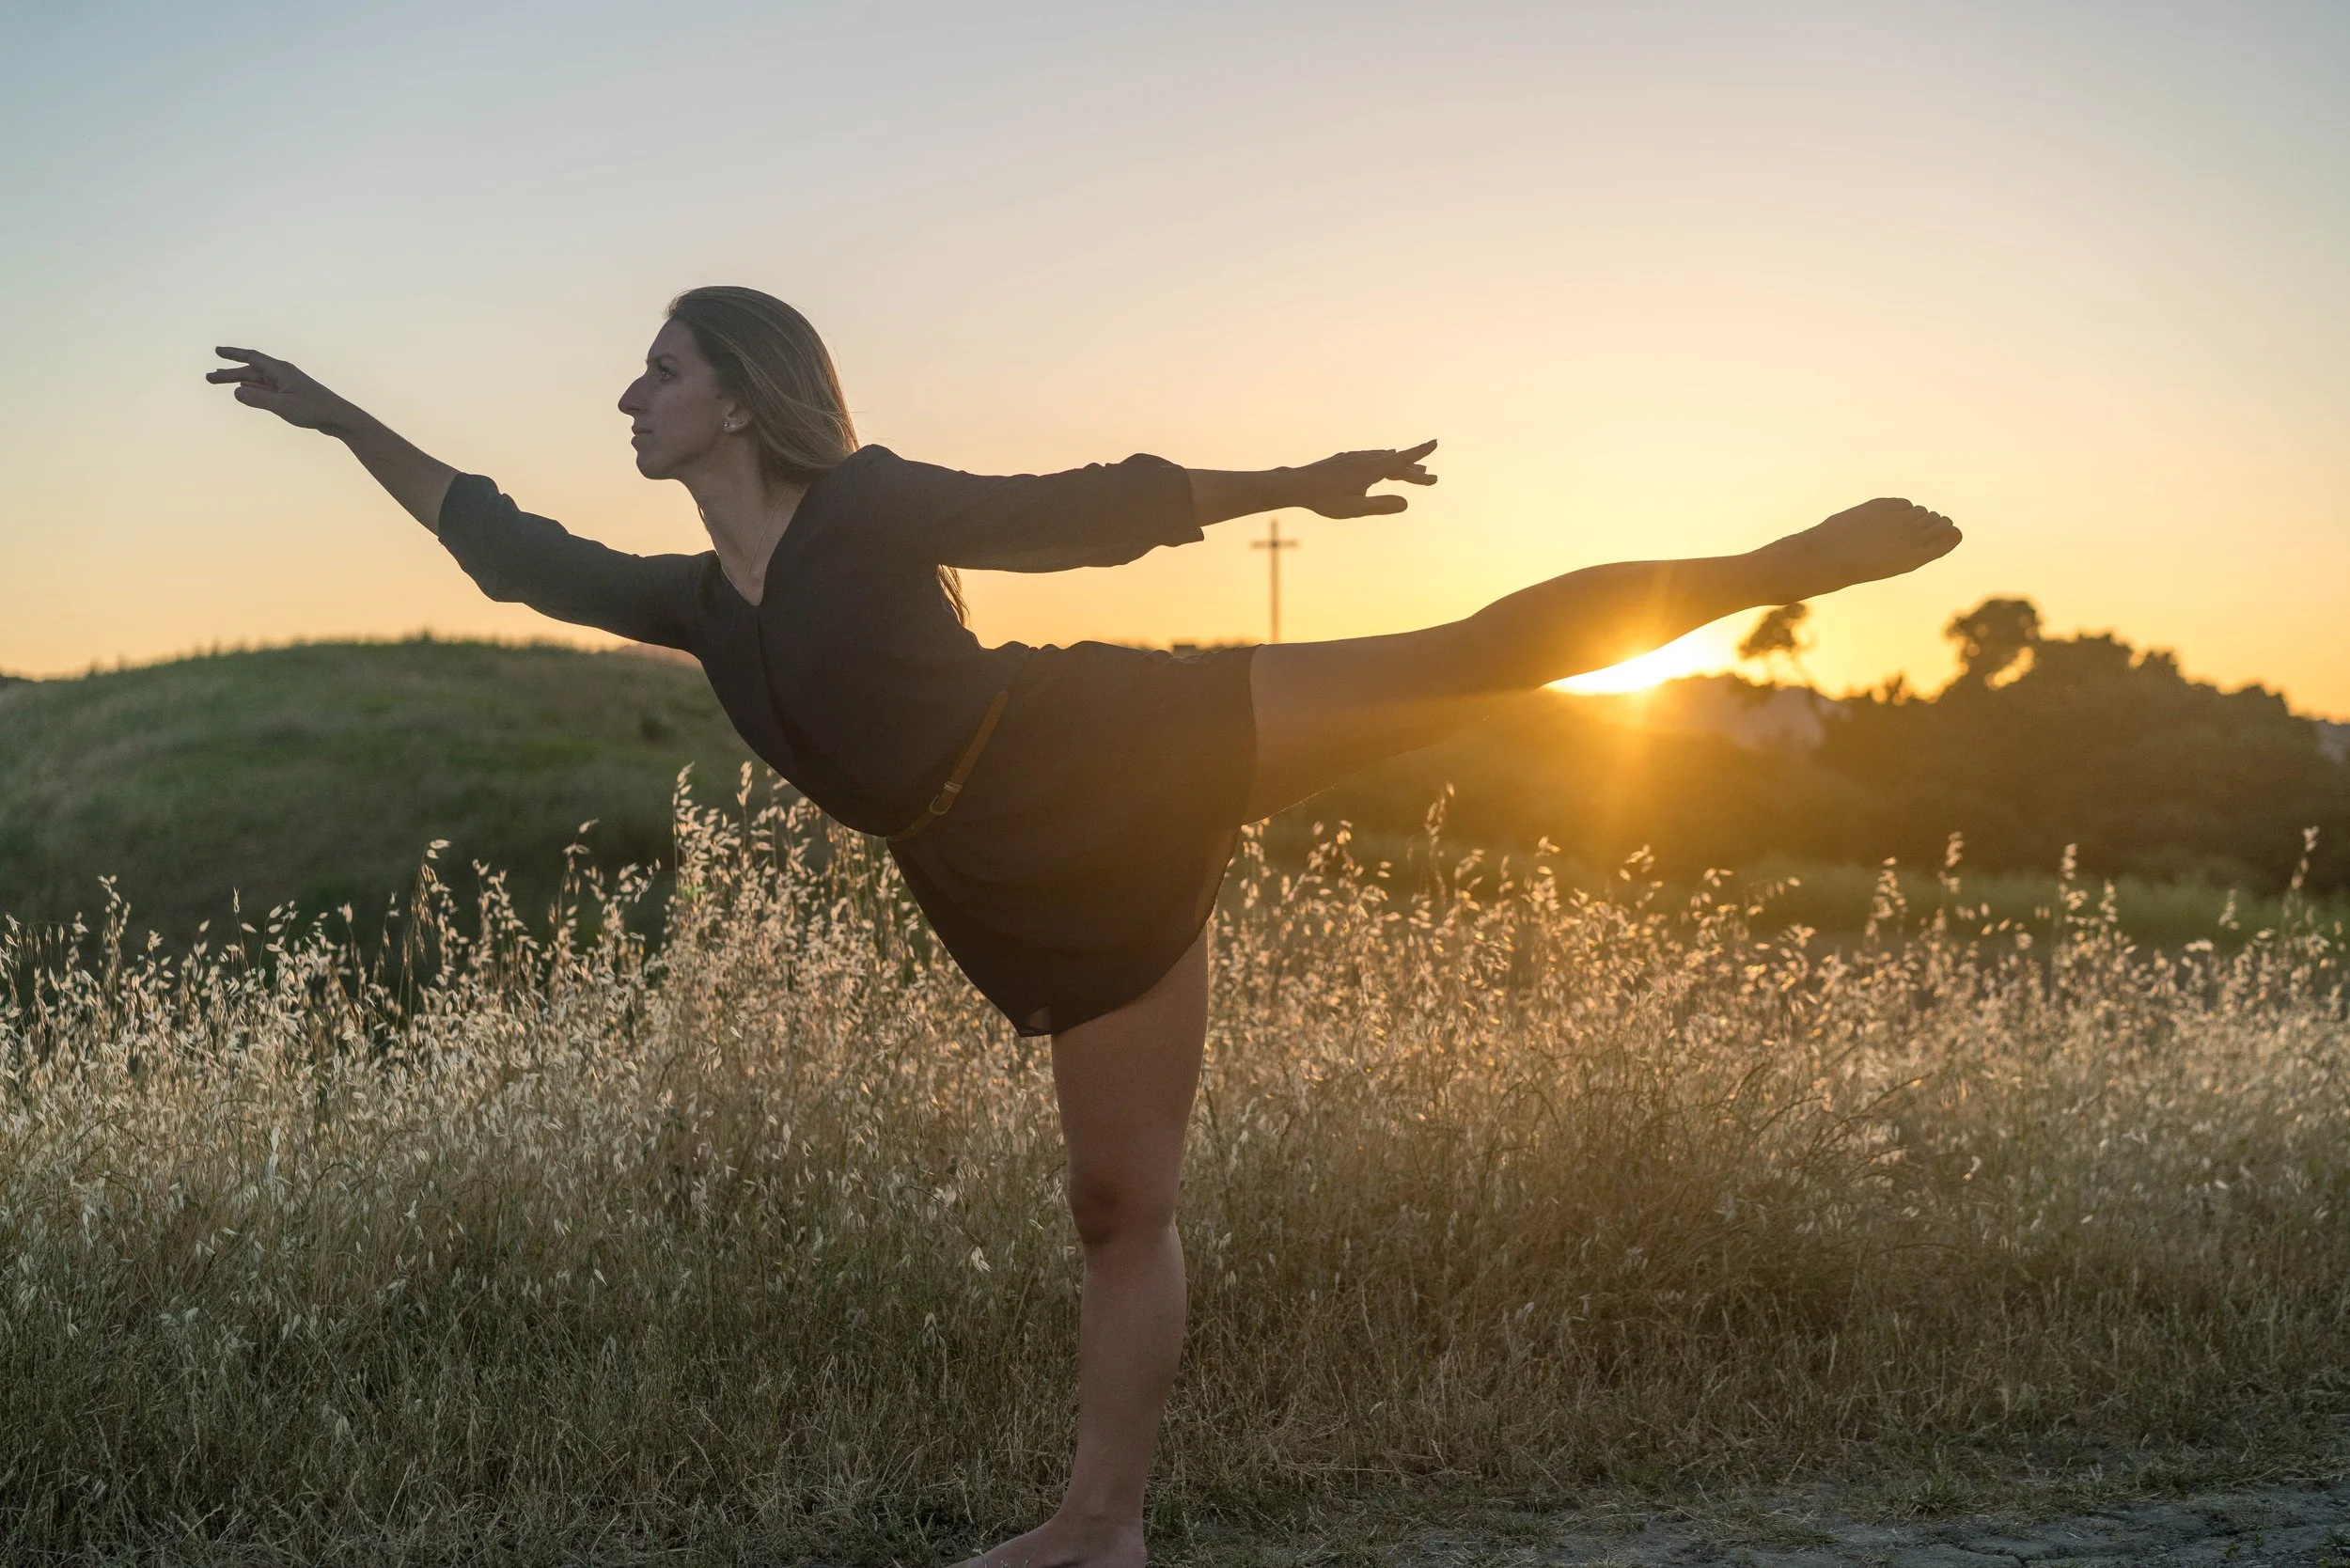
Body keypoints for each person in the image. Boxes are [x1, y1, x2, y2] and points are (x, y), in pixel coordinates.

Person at [208, 286, 1960, 1568]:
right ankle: (1098, 1531)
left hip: (1108, 746)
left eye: (657, 371)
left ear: (738, 397)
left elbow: (1071, 513)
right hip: (1004, 873)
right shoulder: (692, 602)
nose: (627, 397)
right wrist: (335, 413)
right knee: (1116, 1200)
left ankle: (1776, 563)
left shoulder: (873, 506)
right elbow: (495, 544)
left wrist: (1301, 480)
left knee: (1462, 660)